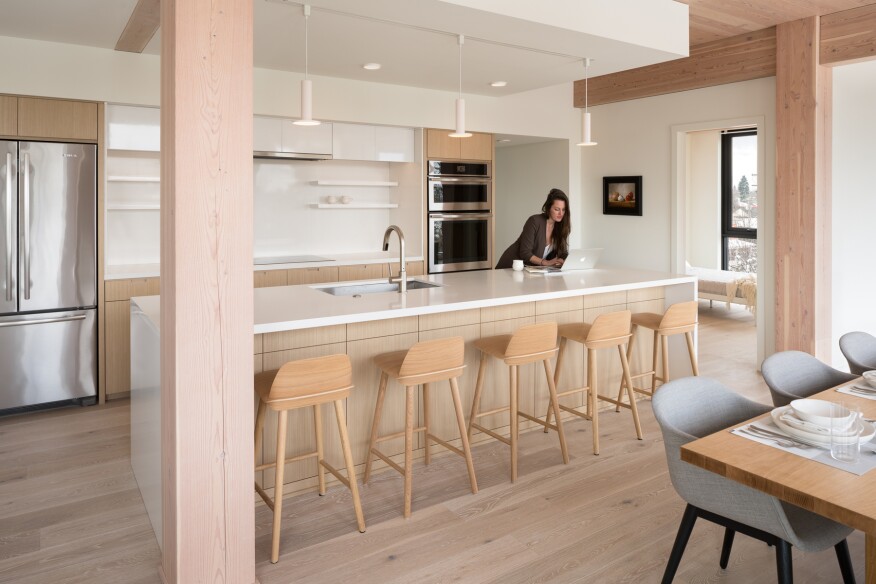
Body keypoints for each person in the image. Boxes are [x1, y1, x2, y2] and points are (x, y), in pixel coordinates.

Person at [495, 188, 571, 269]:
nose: (561, 213)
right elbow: (525, 253)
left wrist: (561, 260)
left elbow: (563, 252)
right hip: (510, 268)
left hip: (530, 271)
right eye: (557, 209)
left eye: (563, 210)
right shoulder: (534, 221)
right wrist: (545, 262)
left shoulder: (561, 226)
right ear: (549, 208)